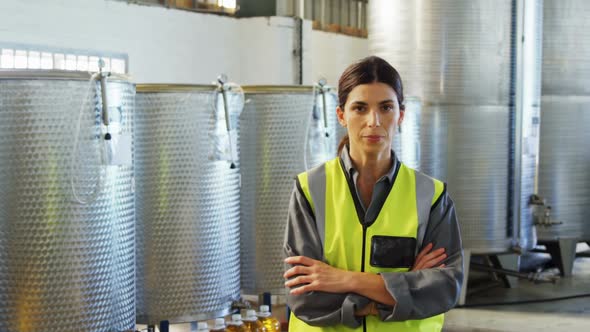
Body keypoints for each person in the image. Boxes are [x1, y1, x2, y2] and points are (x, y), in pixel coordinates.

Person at [283, 56, 463, 332]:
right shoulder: (310, 189)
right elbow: (306, 297)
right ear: (341, 115)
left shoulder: (432, 196)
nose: (373, 121)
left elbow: (443, 289)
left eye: (386, 107)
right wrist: (404, 286)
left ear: (400, 115)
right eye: (360, 108)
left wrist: (344, 279)